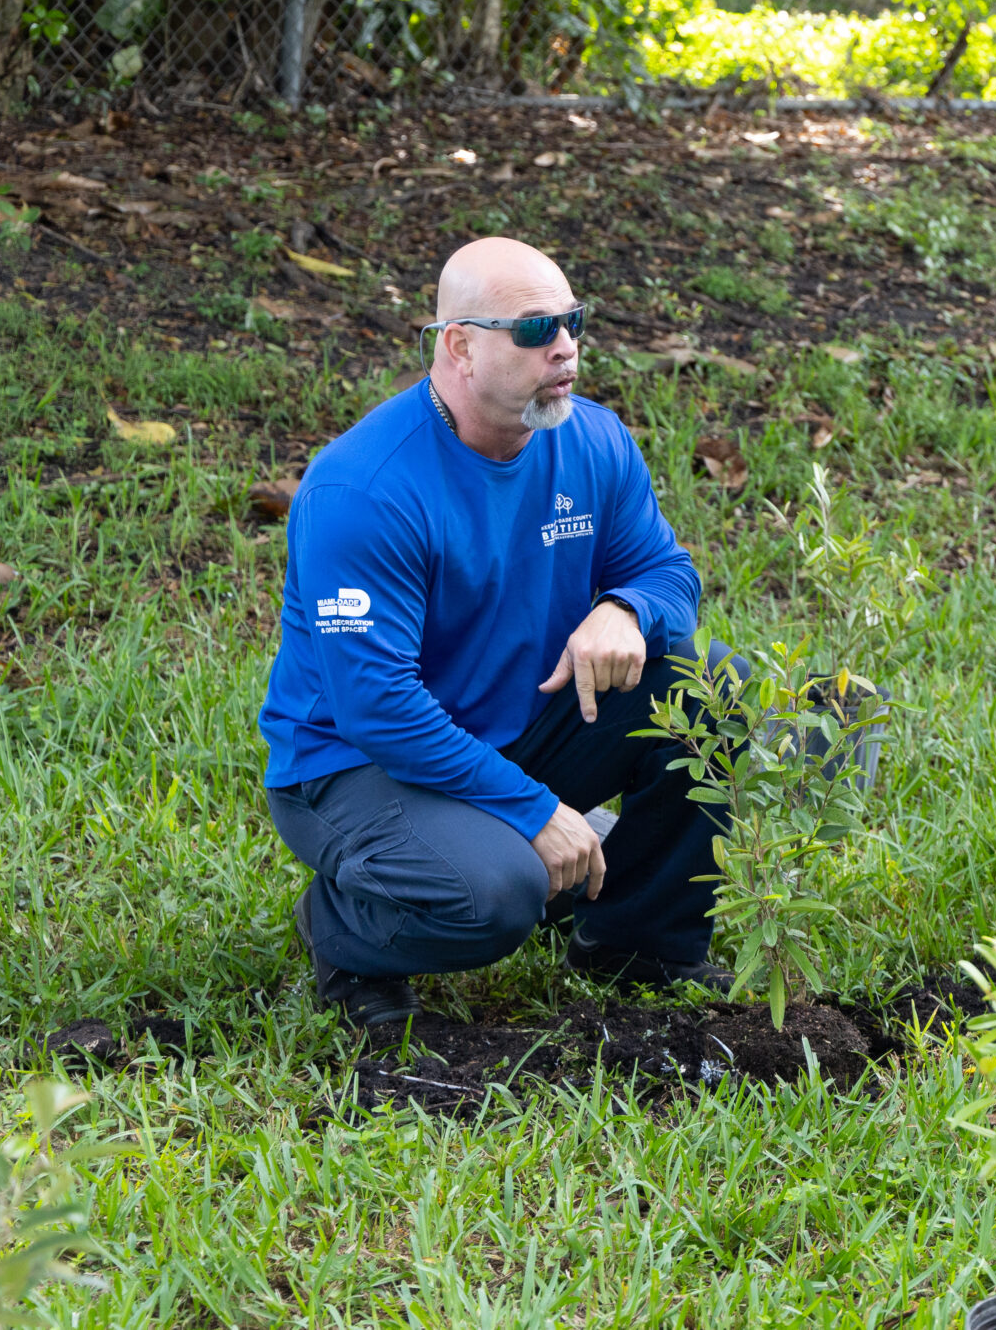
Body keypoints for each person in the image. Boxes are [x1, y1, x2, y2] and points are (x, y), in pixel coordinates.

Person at [263, 237, 732, 1030]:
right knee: (500, 894)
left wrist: (626, 609)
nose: (566, 345)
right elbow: (377, 709)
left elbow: (669, 575)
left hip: (510, 726)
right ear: (460, 346)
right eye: (535, 328)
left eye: (573, 321)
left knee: (707, 678)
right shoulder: (365, 488)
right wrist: (535, 810)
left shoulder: (592, 440)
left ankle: (638, 943)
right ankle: (344, 929)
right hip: (355, 766)